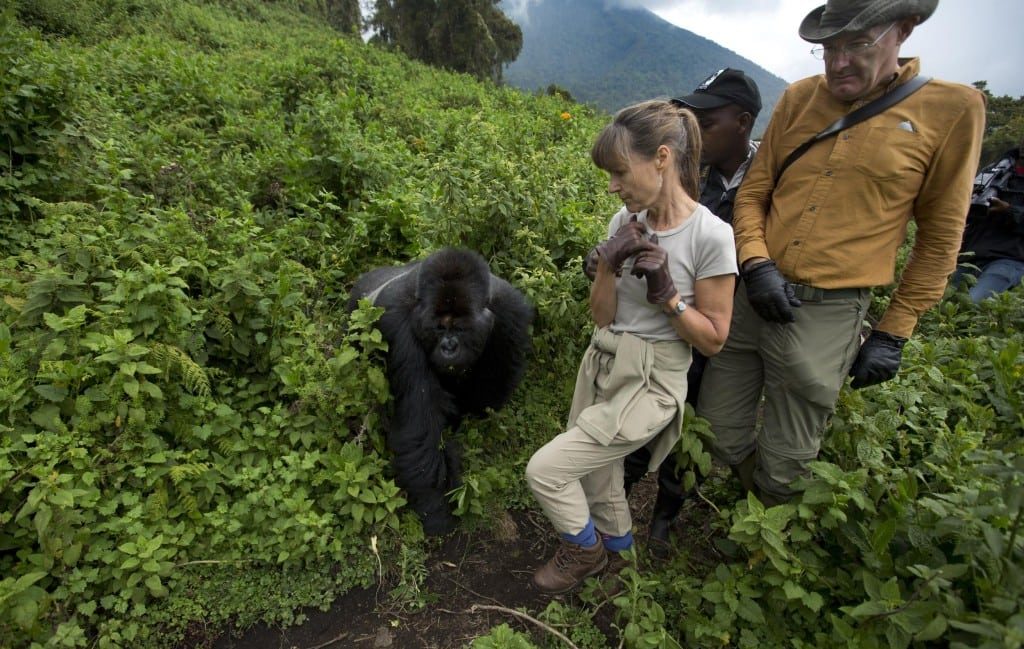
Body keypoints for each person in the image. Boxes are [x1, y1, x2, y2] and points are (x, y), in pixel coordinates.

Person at [696, 0, 986, 506]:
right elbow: (755, 191)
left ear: (904, 29)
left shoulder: (953, 110)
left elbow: (941, 236)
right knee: (718, 429)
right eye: (829, 48)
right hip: (754, 291)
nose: (838, 62)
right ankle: (749, 496)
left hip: (827, 309)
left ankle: (764, 537)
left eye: (857, 44)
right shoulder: (801, 98)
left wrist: (894, 332)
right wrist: (757, 261)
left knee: (788, 453)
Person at [526, 100, 738, 594]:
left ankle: (585, 551)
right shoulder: (625, 219)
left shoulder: (711, 235)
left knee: (547, 470)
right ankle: (621, 568)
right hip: (603, 360)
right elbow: (602, 315)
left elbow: (714, 339)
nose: (613, 186)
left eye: (620, 172)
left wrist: (668, 295)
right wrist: (607, 263)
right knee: (600, 478)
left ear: (661, 158)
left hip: (653, 378)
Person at [619, 68, 762, 557]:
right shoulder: (687, 174)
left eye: (708, 118)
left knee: (696, 421)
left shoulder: (770, 178)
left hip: (725, 324)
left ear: (742, 123)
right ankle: (617, 496)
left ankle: (664, 514)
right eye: (692, 116)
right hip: (673, 325)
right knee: (644, 416)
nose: (694, 128)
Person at [953, 136, 1024, 302]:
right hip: (973, 252)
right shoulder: (997, 169)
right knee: (942, 303)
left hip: (1009, 258)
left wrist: (1009, 210)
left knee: (972, 303)